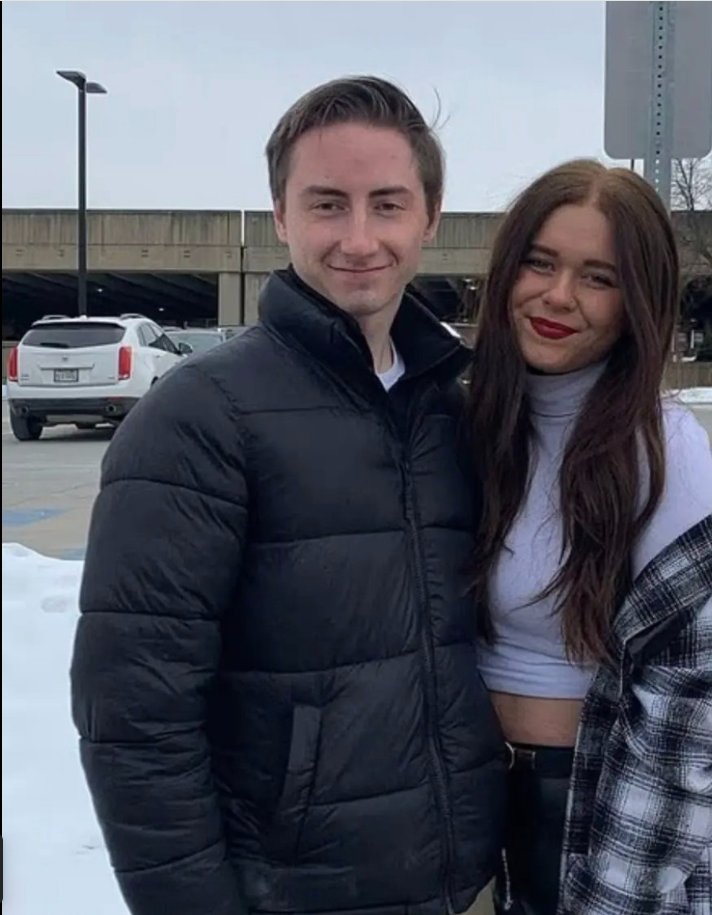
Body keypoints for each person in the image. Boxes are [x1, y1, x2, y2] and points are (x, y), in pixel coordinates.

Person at [70, 76, 506, 915]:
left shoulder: (455, 409)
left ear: (430, 216)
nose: (358, 237)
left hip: (467, 884)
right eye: (325, 204)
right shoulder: (200, 417)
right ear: (279, 216)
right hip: (294, 894)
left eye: (386, 204)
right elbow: (135, 724)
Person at [467, 160, 712, 915]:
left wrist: (619, 890)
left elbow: (698, 702)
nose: (557, 296)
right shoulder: (465, 422)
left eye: (597, 277)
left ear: (636, 301)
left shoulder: (662, 449)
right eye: (539, 263)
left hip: (594, 806)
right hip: (460, 801)